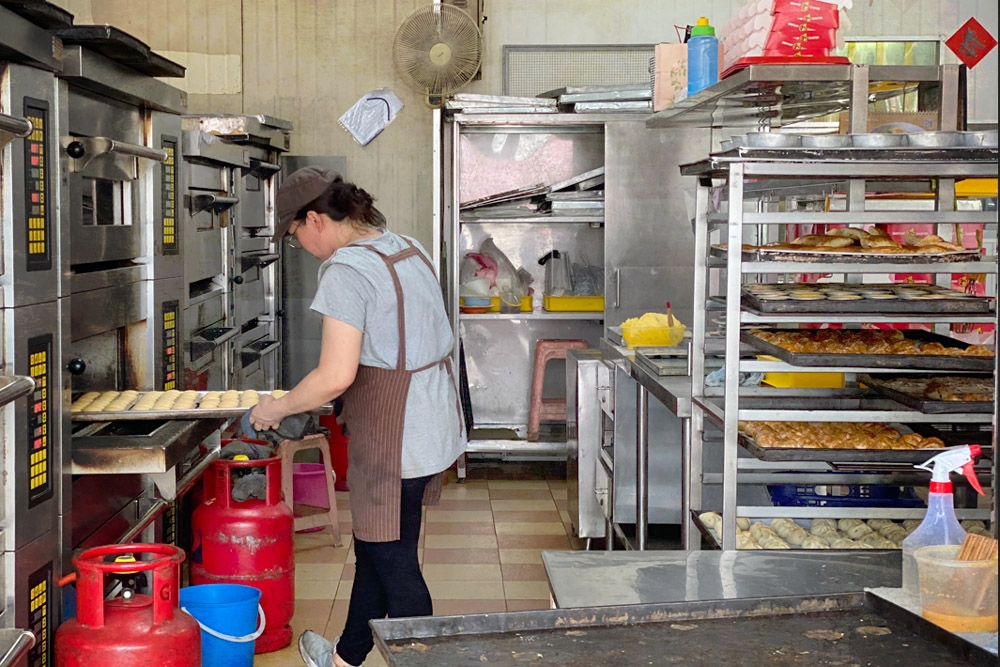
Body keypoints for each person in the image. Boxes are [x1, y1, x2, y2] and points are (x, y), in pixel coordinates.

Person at [248, 166, 466, 667]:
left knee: (395, 566)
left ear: (315, 220)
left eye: (294, 234)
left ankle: (425, 659)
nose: (298, 244)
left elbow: (334, 376)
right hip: (433, 427)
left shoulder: (347, 271)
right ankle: (346, 657)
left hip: (395, 439)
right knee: (376, 546)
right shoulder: (404, 247)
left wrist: (273, 408)